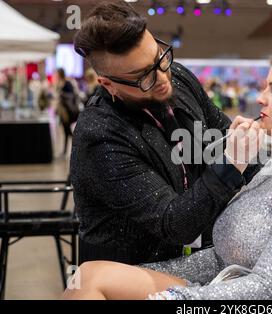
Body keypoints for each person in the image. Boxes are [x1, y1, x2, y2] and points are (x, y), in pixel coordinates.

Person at [62, 47, 272, 300]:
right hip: (224, 288)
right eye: (265, 87)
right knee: (89, 275)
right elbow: (222, 259)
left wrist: (176, 299)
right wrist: (151, 271)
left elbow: (270, 289)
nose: (260, 98)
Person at [70, 0, 261, 265]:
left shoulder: (178, 78)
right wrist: (231, 163)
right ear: (108, 84)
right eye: (142, 76)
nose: (162, 78)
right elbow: (176, 224)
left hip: (193, 264)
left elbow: (220, 136)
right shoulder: (100, 135)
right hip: (127, 275)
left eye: (160, 58)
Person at [54, 68, 80, 155]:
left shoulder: (67, 83)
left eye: (57, 73)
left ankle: (78, 147)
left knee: (67, 130)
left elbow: (71, 95)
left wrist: (61, 94)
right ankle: (66, 151)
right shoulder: (60, 83)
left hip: (68, 111)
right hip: (62, 110)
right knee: (65, 130)